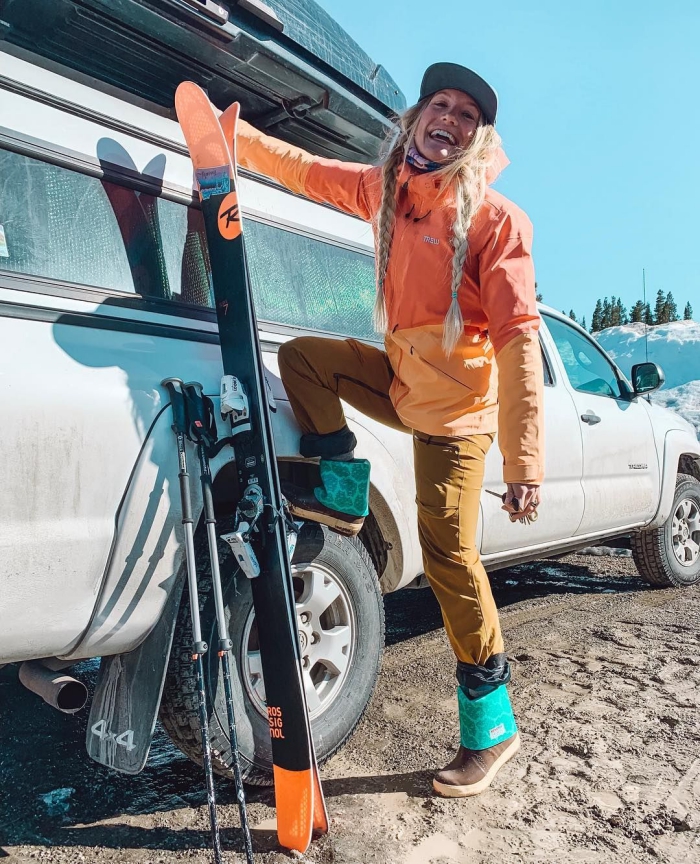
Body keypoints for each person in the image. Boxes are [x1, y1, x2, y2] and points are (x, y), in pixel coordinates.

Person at [228, 62, 544, 797]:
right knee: (307, 359)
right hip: (403, 387)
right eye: (441, 104)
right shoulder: (385, 192)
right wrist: (235, 140)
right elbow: (306, 171)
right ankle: (342, 490)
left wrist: (523, 461)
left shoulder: (497, 222)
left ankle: (492, 727)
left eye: (468, 114)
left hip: (458, 422)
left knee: (449, 559)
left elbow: (521, 343)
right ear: (416, 119)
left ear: (477, 138)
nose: (451, 119)